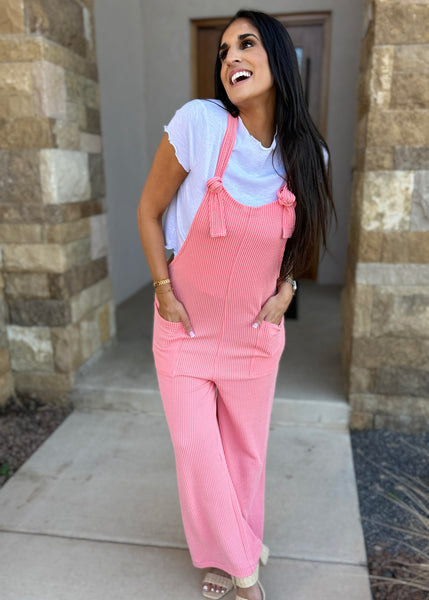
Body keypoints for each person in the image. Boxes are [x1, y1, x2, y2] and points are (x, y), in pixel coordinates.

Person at [137, 9, 334, 600]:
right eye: (222, 52)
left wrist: (288, 290)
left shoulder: (308, 157)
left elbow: (303, 240)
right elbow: (148, 211)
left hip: (253, 333)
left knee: (244, 451)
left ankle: (230, 553)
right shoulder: (198, 124)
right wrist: (163, 292)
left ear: (277, 56)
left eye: (245, 45)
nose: (230, 60)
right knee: (197, 446)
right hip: (185, 330)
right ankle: (246, 574)